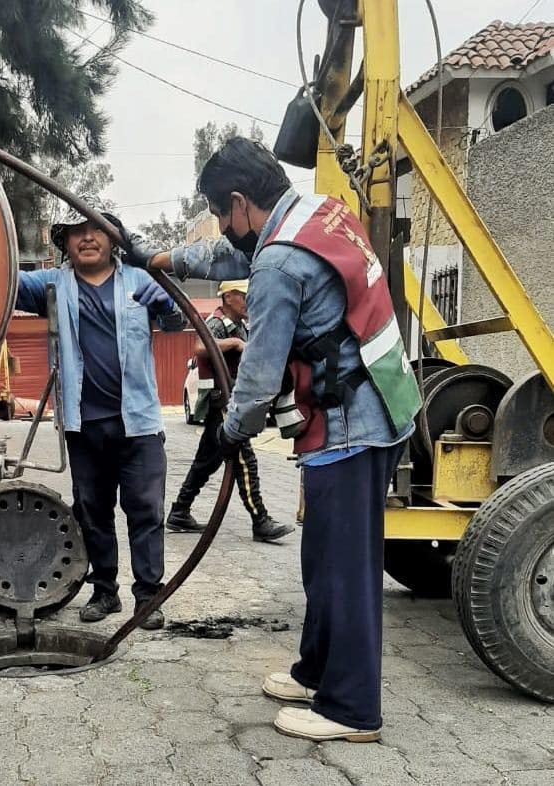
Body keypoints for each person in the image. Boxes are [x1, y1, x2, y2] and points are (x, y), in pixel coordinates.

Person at [122, 137, 421, 742]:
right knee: (324, 562)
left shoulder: (280, 262)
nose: (225, 230)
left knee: (346, 571)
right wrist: (161, 258)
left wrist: (230, 432)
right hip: (382, 399)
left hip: (351, 425)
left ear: (239, 202)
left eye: (221, 213)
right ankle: (316, 669)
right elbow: (234, 254)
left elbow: (256, 381)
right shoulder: (316, 212)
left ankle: (351, 710)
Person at [15, 198, 187, 631]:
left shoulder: (142, 280)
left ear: (115, 241)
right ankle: (104, 591)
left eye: (98, 229)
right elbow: (1, 280)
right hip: (84, 422)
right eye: (77, 231)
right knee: (92, 509)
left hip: (139, 422)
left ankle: (148, 596)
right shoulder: (52, 286)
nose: (87, 237)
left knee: (146, 510)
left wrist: (166, 302)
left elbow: (176, 323)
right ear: (66, 244)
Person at [167, 279, 291, 542]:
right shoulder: (218, 322)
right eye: (244, 296)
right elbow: (201, 347)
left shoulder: (240, 325)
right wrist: (234, 343)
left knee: (207, 461)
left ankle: (179, 510)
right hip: (223, 402)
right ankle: (260, 520)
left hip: (230, 401)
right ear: (229, 297)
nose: (248, 301)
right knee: (244, 459)